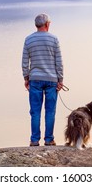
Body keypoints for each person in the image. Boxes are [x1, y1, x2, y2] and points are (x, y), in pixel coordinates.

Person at [22, 13, 64, 147]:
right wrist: (60, 79)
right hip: (52, 80)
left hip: (35, 80)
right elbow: (59, 62)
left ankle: (34, 141)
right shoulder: (54, 39)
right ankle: (49, 140)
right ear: (47, 24)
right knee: (50, 111)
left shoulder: (28, 40)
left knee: (35, 111)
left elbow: (24, 62)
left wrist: (26, 77)